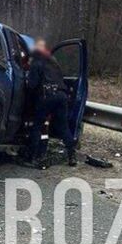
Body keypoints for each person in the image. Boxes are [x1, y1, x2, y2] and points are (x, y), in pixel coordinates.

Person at [24, 39, 77, 167]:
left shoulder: (37, 63)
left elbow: (32, 84)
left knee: (37, 125)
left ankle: (33, 158)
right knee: (63, 127)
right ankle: (72, 155)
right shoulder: (54, 62)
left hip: (46, 96)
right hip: (62, 96)